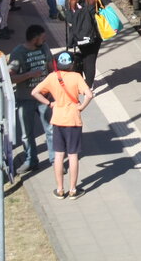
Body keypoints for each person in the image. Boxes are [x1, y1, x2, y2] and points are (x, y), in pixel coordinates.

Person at [31, 50, 93, 199]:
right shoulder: (77, 77)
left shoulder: (52, 77)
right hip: (73, 120)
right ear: (72, 65)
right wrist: (81, 106)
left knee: (59, 155)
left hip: (57, 120)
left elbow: (35, 92)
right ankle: (73, 189)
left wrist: (49, 103)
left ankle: (59, 189)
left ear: (58, 64)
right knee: (73, 155)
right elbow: (89, 95)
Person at [7, 24, 53, 173]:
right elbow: (10, 78)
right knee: (27, 133)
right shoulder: (18, 53)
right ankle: (31, 161)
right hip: (25, 99)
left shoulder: (44, 48)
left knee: (51, 129)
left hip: (44, 98)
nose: (45, 40)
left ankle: (55, 160)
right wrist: (29, 75)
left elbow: (50, 67)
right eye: (42, 38)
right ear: (34, 39)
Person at [65, 0, 102, 89]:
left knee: (85, 56)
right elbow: (101, 11)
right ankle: (89, 86)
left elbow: (69, 19)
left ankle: (85, 83)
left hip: (78, 35)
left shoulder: (70, 0)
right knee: (90, 60)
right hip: (94, 34)